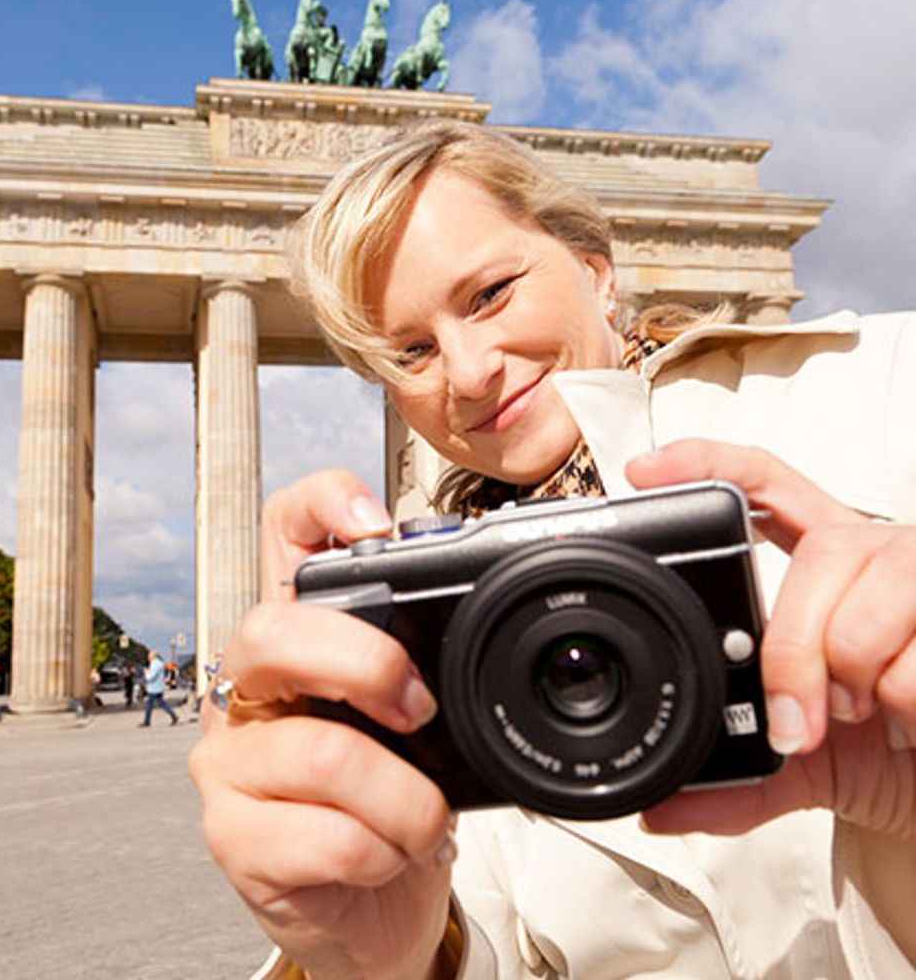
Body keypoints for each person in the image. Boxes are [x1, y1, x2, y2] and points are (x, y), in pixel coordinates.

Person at [188, 120, 916, 978]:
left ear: (595, 271)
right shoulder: (421, 629)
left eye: (490, 293)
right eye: (412, 350)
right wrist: (396, 957)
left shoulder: (884, 383)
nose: (466, 372)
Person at [138, 650, 179, 728]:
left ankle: (147, 722)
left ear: (153, 657)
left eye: (149, 657)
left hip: (153, 688)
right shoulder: (160, 663)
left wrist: (146, 672)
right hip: (159, 687)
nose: (148, 658)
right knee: (162, 704)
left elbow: (150, 677)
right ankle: (173, 716)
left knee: (149, 705)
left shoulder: (154, 665)